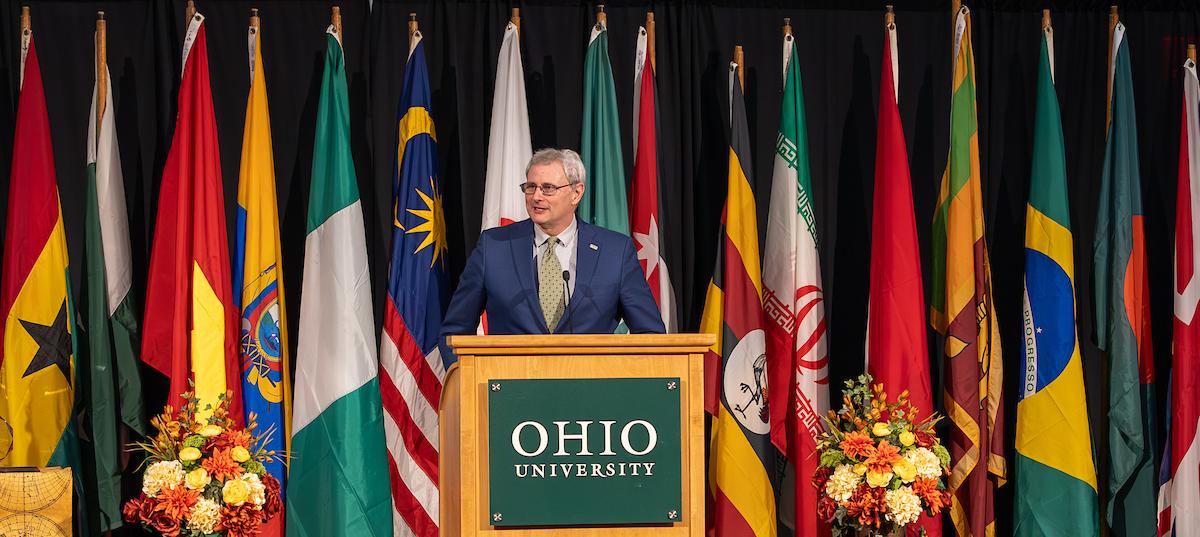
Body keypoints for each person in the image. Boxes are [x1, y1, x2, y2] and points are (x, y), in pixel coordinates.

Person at [440, 148, 665, 351]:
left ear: (576, 193)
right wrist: (466, 381)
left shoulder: (614, 252)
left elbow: (650, 334)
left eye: (548, 188)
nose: (536, 196)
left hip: (589, 391)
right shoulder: (494, 247)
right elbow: (455, 329)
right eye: (531, 187)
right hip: (512, 391)